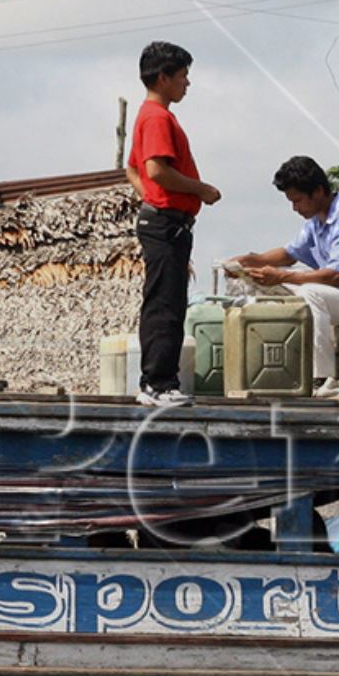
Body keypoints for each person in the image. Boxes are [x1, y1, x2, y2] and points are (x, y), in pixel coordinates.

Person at [231, 156, 339, 398]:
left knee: (311, 293)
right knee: (260, 286)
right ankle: (271, 371)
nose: (295, 208)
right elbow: (290, 254)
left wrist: (281, 277)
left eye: (298, 200)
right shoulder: (315, 222)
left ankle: (322, 377)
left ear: (319, 191)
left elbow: (334, 276)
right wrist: (249, 262)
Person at [125, 41, 222, 407]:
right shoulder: (157, 117)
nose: (187, 84)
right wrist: (201, 189)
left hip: (167, 220)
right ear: (163, 78)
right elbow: (155, 170)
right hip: (165, 223)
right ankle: (159, 383)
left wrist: (150, 194)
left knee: (166, 300)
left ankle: (157, 380)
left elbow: (133, 169)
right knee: (165, 304)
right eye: (182, 76)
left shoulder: (151, 115)